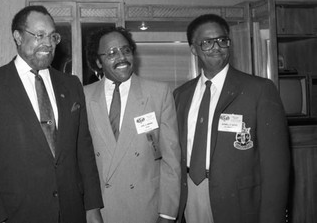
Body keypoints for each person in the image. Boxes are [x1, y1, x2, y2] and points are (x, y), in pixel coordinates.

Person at [0, 5, 104, 223]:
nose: (48, 43)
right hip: (16, 214)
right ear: (18, 37)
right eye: (39, 35)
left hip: (71, 211)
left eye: (53, 36)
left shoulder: (71, 85)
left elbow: (83, 149)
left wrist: (92, 206)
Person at [174, 14, 290, 223]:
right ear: (193, 49)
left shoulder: (259, 89)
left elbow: (277, 168)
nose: (216, 47)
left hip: (239, 200)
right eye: (207, 42)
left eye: (222, 40)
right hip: (190, 193)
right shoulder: (181, 94)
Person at [84, 26, 181, 223]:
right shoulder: (83, 96)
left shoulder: (158, 94)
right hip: (101, 210)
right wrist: (88, 208)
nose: (122, 57)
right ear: (98, 62)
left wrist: (167, 214)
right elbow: (80, 162)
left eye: (126, 50)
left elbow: (171, 160)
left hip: (145, 208)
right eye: (111, 53)